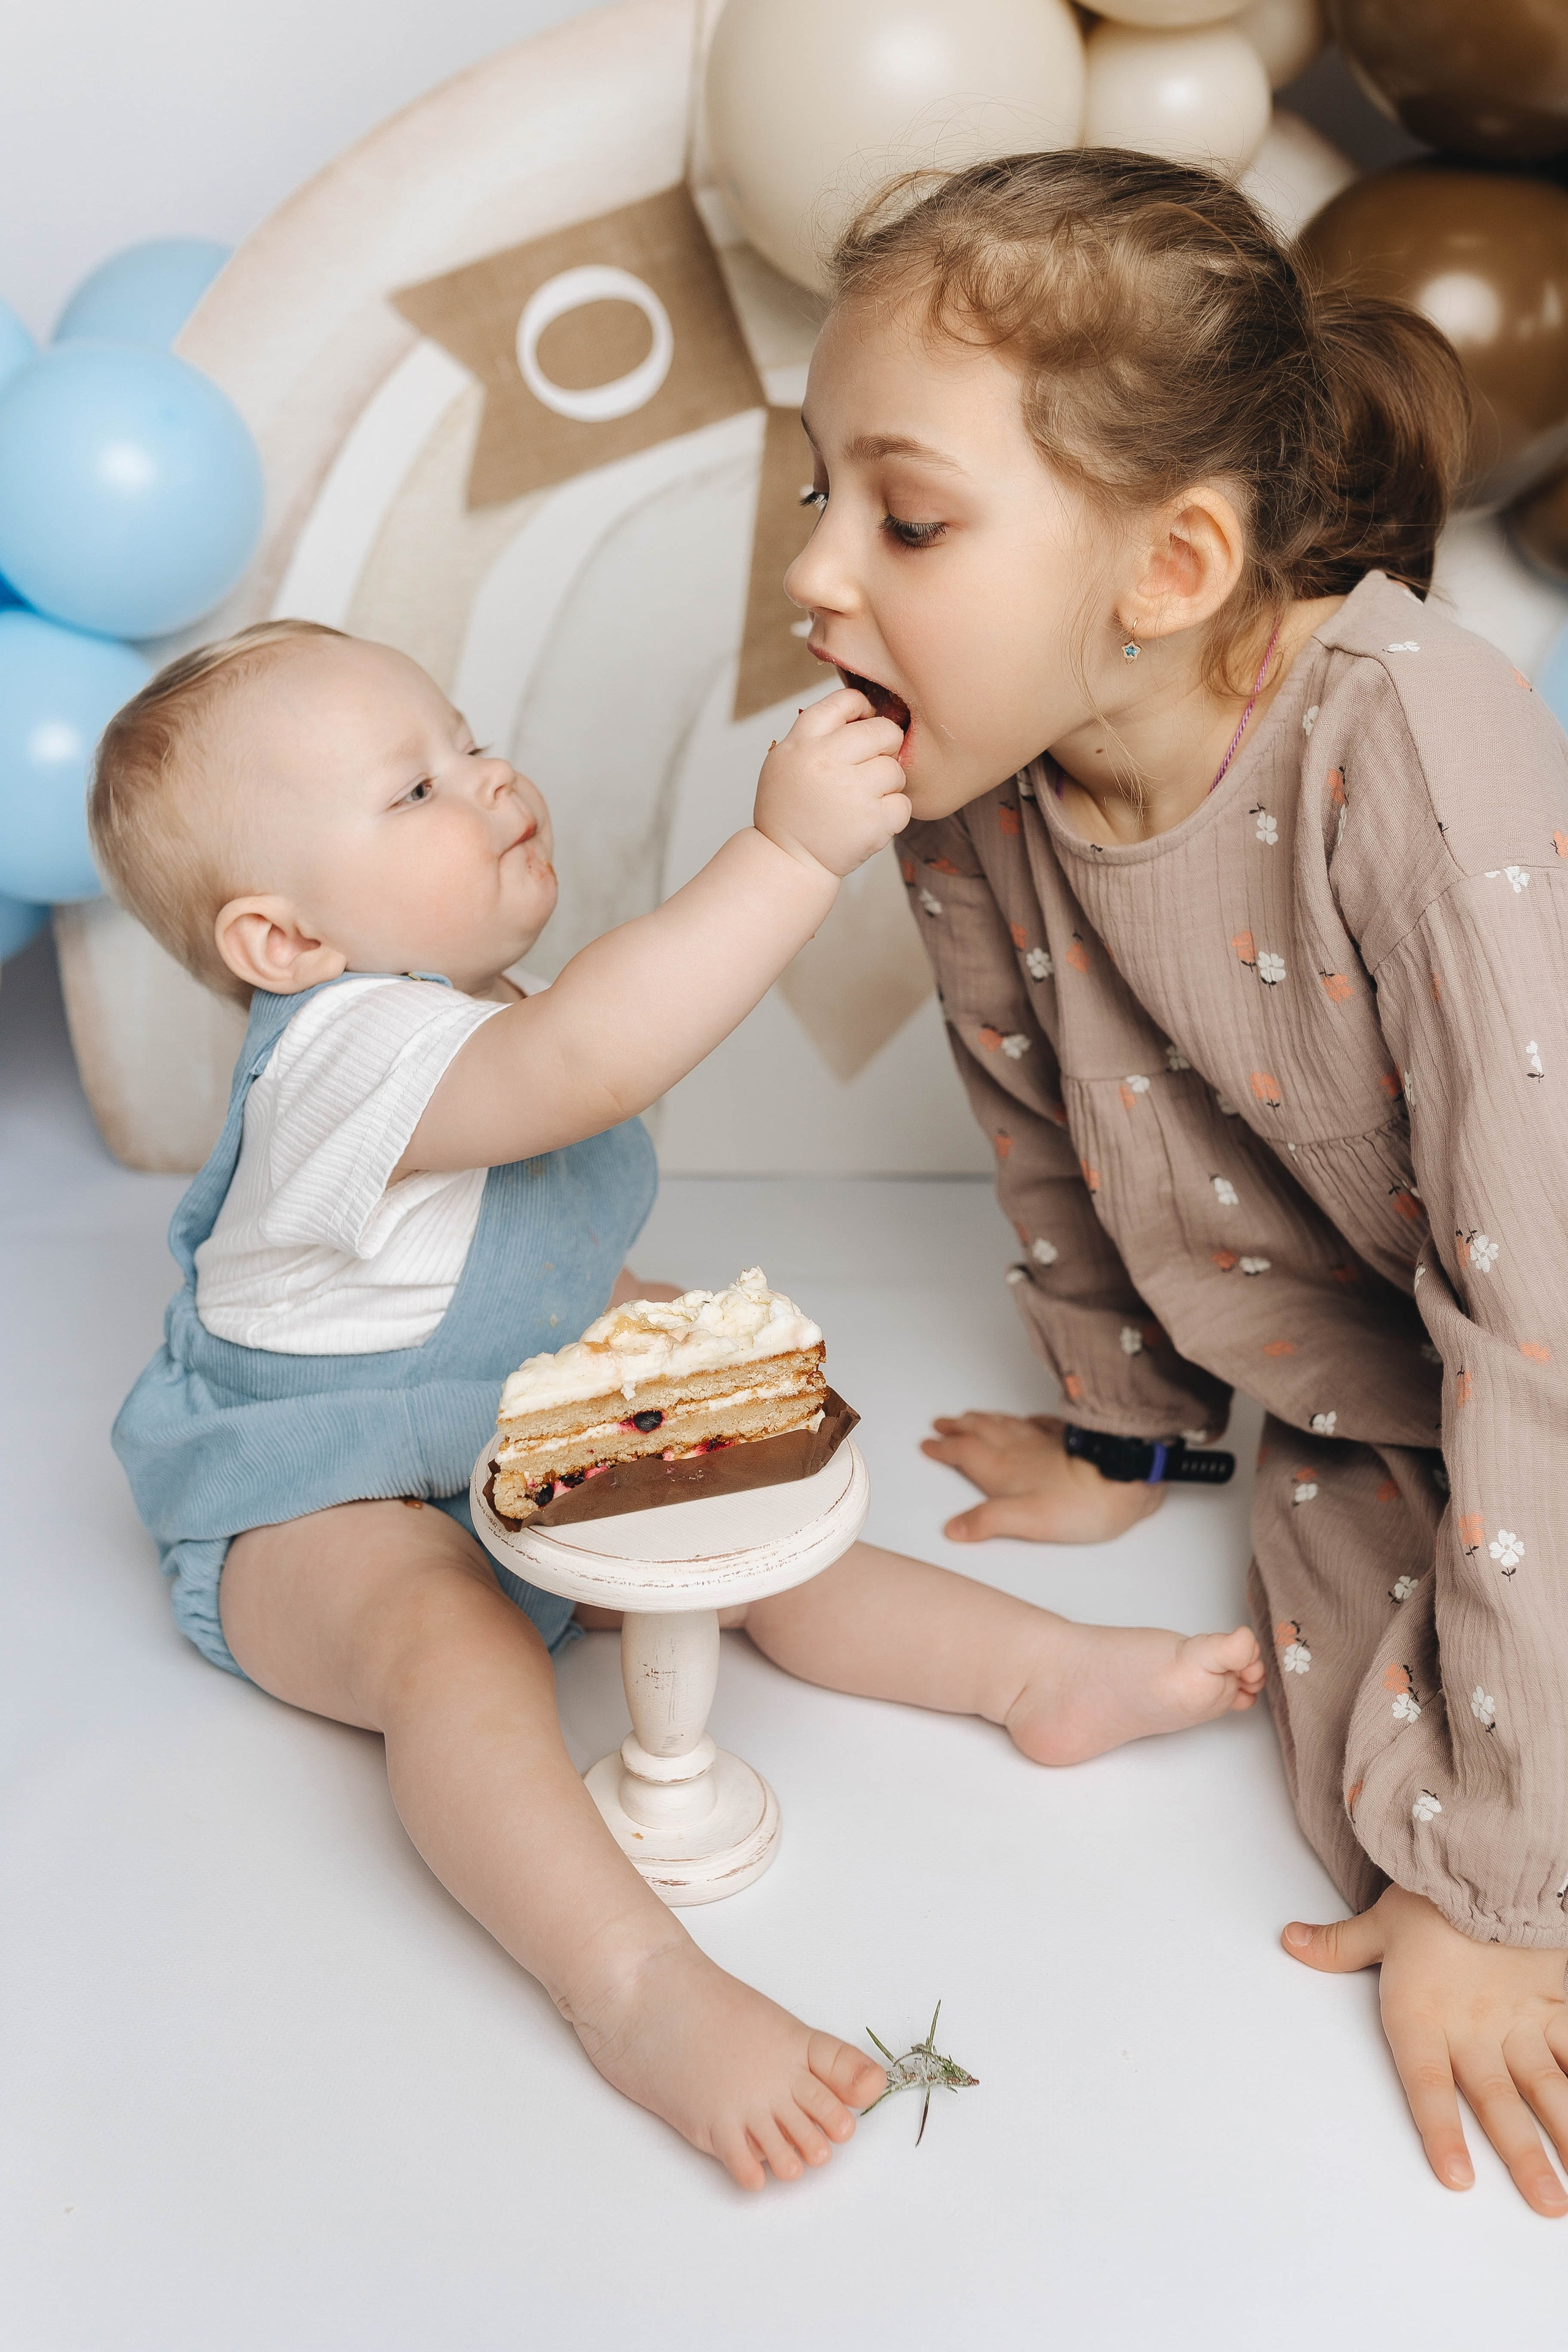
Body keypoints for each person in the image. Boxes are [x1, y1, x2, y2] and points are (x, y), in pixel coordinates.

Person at [95, 616, 1262, 2189]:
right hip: (314, 1483)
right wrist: (784, 853)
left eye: (471, 735)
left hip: (485, 1407)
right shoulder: (343, 1056)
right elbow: (590, 1057)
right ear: (281, 943)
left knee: (758, 1528)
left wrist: (659, 1352)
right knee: (448, 1652)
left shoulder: (456, 998)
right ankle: (632, 1987)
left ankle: (1033, 1674)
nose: (489, 776)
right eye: (416, 788)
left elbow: (517, 1240)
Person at [784, 143, 1568, 2217]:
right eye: (814, 495)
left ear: (1174, 566)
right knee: (1355, 1781)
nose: (816, 573)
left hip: (1553, 1318)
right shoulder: (972, 784)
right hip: (1385, 1361)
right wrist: (1127, 1435)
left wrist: (1499, 1892)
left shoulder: (1405, 734)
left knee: (1469, 1831)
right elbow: (1047, 1116)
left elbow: (1548, 1316)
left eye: (907, 516)